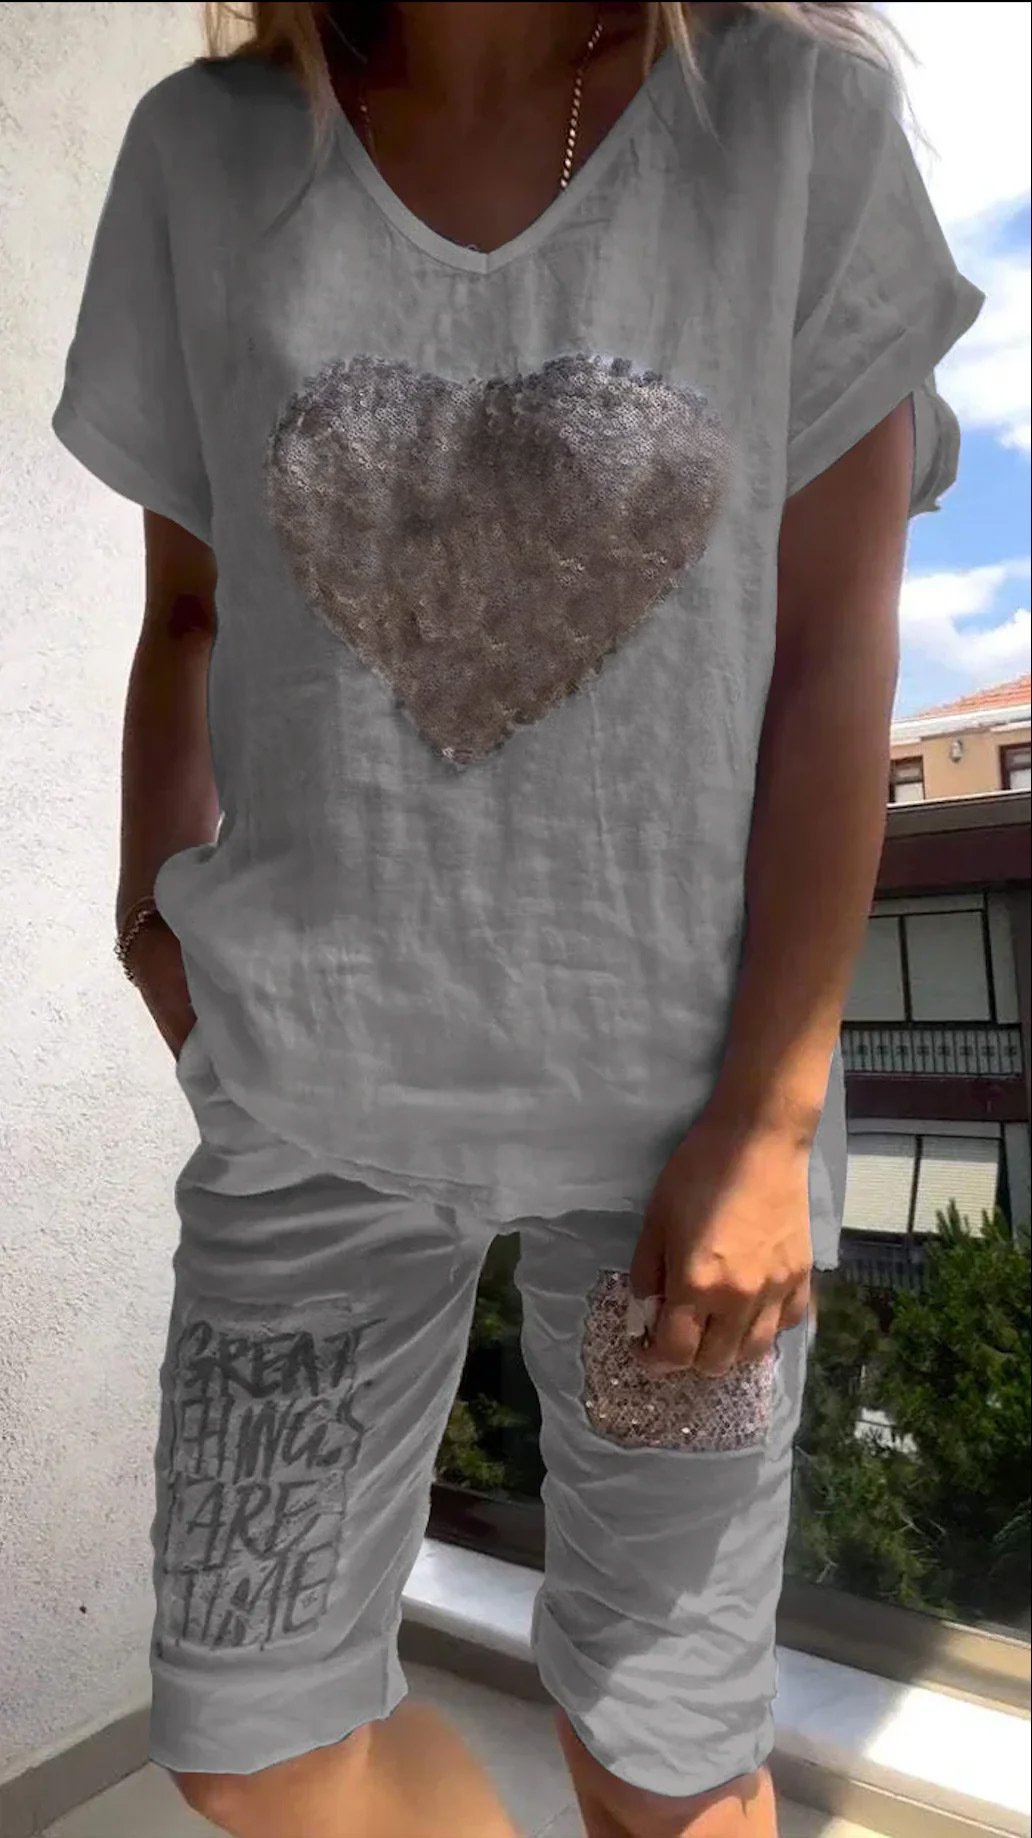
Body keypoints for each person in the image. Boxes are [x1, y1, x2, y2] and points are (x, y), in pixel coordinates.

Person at [53, 1, 981, 1833]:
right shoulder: (203, 154)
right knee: (247, 1735)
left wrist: (768, 1122)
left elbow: (834, 663)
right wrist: (152, 929)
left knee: (665, 1754)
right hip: (306, 1118)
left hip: (681, 1145)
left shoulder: (796, 123)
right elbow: (189, 611)